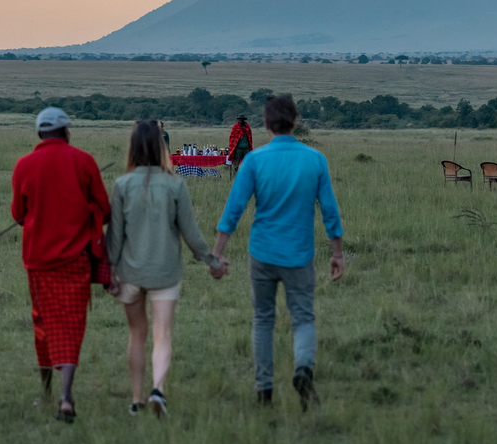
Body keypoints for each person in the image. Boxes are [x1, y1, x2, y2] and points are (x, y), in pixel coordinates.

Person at [213, 94, 344, 410]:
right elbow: (329, 210)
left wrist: (217, 252)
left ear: (266, 123)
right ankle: (303, 368)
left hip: (262, 253)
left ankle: (264, 391)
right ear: (295, 121)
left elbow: (234, 209)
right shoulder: (315, 159)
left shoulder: (254, 160)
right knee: (303, 317)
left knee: (262, 319)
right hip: (300, 254)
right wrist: (337, 253)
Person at [106, 120, 227, 417]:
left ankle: (137, 399)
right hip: (165, 272)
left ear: (133, 148)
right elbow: (192, 235)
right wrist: (213, 261)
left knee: (137, 334)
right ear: (162, 147)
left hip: (130, 272)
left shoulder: (122, 185)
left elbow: (115, 237)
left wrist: (109, 271)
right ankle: (157, 390)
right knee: (162, 334)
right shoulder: (175, 185)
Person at [10, 107, 111, 423]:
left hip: (37, 261)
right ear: (66, 131)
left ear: (40, 133)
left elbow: (18, 215)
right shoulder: (84, 161)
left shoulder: (24, 165)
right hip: (76, 260)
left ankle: (47, 391)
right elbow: (105, 210)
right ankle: (65, 396)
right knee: (71, 324)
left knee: (42, 323)